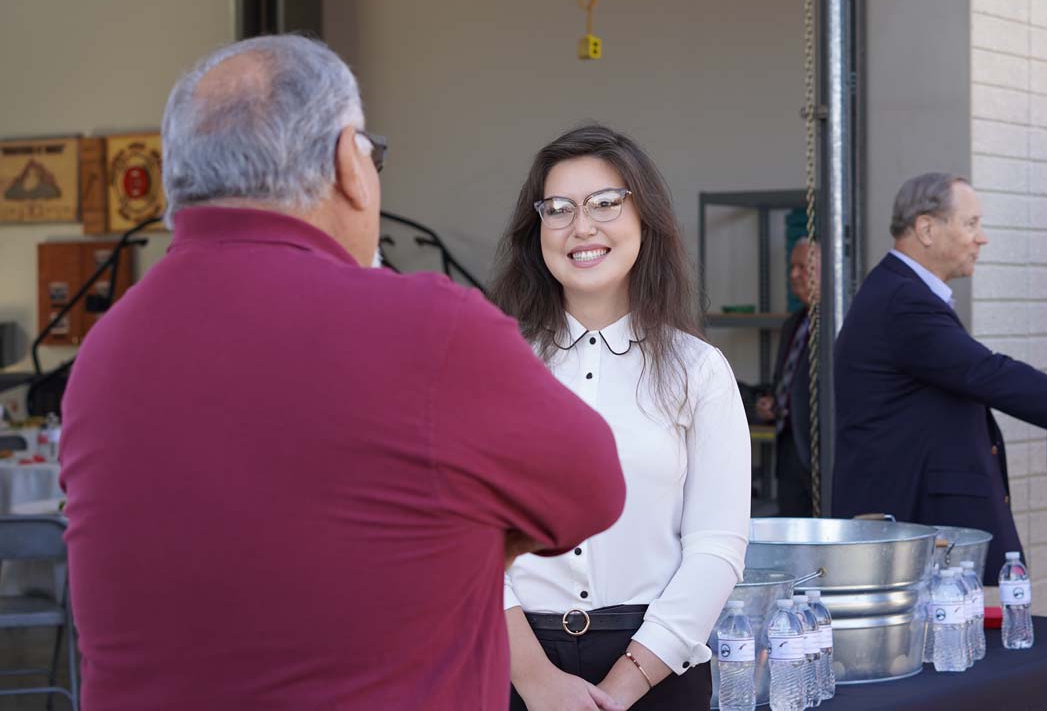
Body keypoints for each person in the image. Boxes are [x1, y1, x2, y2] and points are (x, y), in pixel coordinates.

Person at [59, 35, 626, 711]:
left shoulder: (106, 351)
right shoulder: (428, 329)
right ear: (347, 164)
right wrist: (471, 540)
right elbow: (594, 488)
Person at [492, 124, 751, 710]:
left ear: (644, 219)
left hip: (659, 666)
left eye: (605, 203)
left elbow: (716, 549)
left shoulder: (698, 369)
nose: (581, 227)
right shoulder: (494, 363)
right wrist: (534, 679)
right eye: (558, 209)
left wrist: (625, 684)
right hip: (511, 662)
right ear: (537, 233)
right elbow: (466, 540)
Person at [832, 172, 1047, 581]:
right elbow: (991, 375)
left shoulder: (900, 292)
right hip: (905, 518)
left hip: (907, 519)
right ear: (926, 229)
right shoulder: (904, 301)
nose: (981, 237)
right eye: (971, 223)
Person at [756, 236, 821, 516]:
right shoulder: (794, 324)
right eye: (791, 267)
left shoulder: (838, 323)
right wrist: (770, 400)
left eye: (801, 267)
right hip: (788, 451)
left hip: (820, 453)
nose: (793, 275)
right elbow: (786, 380)